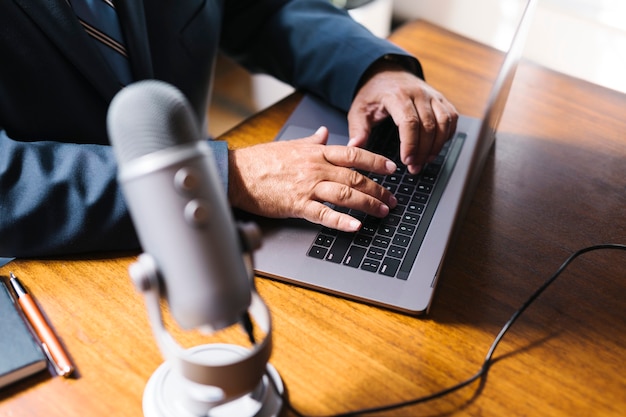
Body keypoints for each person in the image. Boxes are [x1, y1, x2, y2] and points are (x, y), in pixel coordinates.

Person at [0, 0, 457, 257]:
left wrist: (371, 69)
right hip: (54, 268)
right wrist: (225, 177)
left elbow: (262, 10)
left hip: (214, 237)